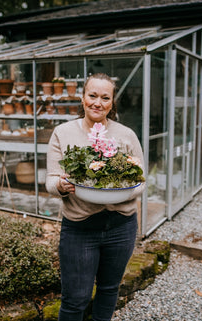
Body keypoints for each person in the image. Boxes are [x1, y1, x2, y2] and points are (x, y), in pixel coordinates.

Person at [46, 73, 145, 321]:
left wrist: (119, 192)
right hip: (80, 226)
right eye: (92, 96)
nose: (97, 103)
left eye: (105, 97)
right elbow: (50, 180)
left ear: (112, 103)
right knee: (75, 298)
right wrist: (61, 185)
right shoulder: (63, 133)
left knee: (109, 290)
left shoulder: (126, 135)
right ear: (83, 98)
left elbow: (140, 182)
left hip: (121, 226)